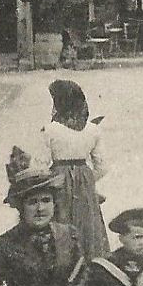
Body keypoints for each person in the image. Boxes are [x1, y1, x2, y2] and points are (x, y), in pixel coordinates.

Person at [42, 79, 110, 260]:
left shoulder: (50, 130)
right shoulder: (93, 130)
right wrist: (85, 178)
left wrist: (57, 177)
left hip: (58, 184)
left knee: (60, 225)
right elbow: (103, 166)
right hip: (85, 186)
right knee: (88, 225)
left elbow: (39, 164)